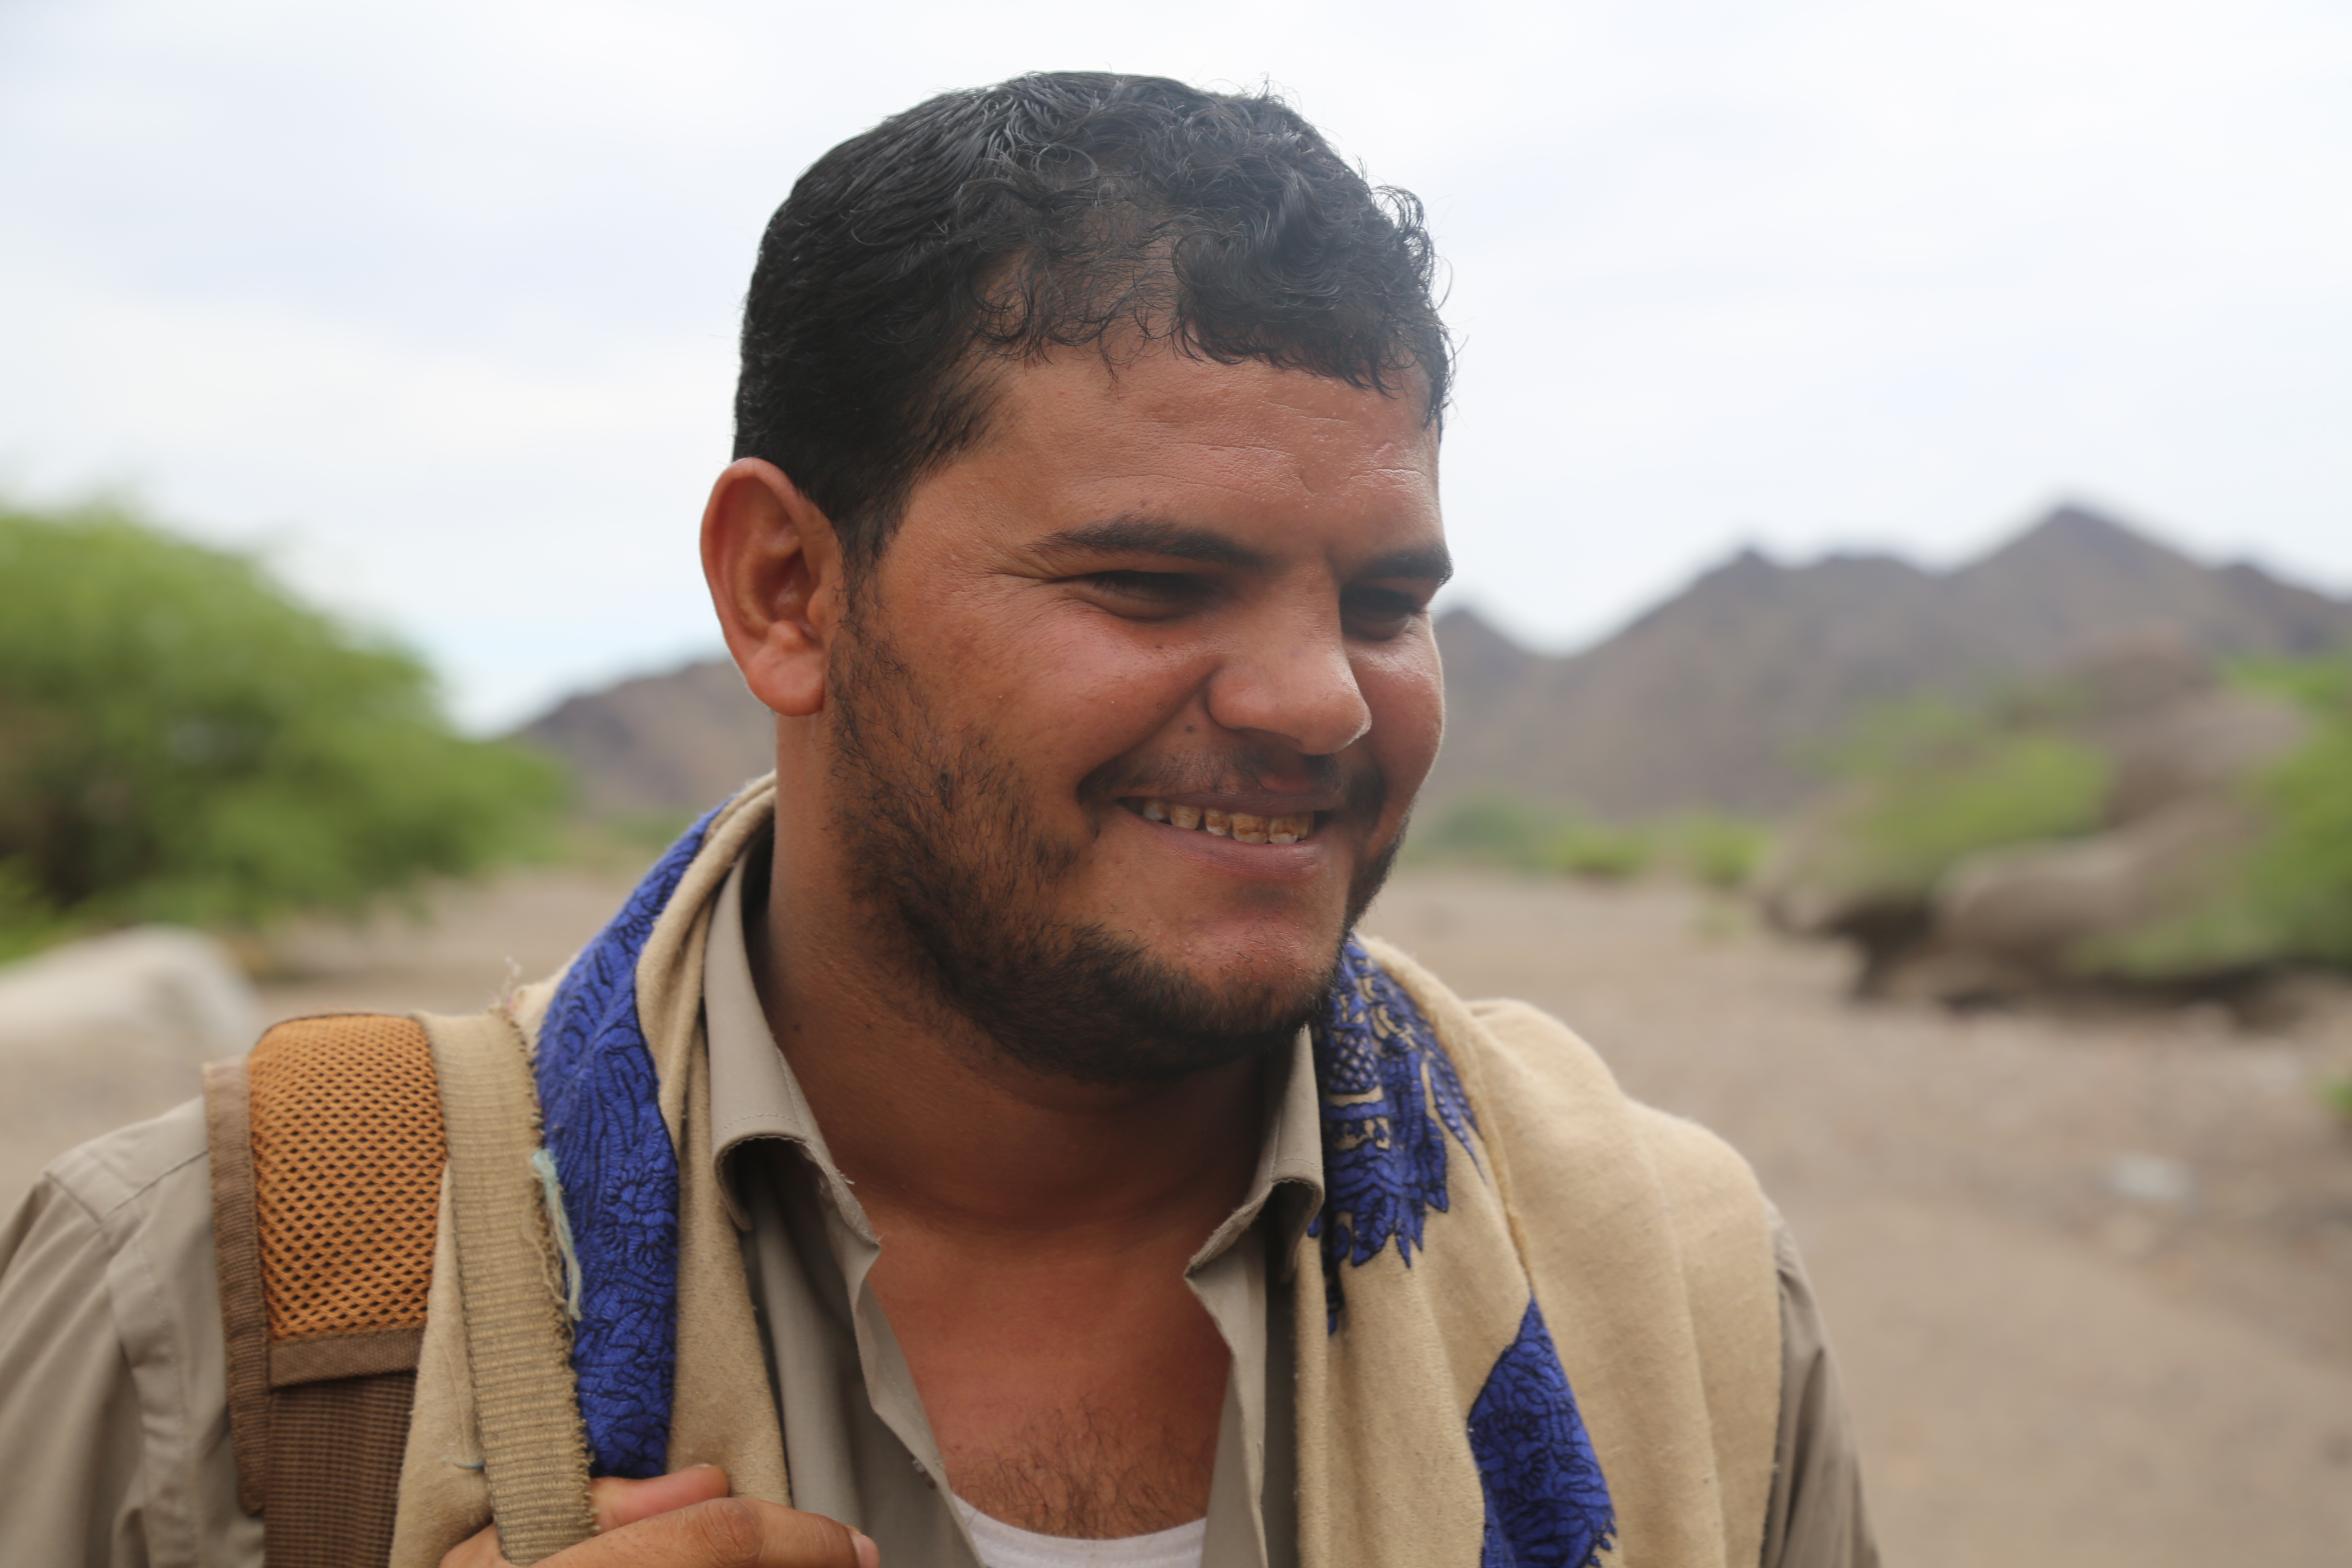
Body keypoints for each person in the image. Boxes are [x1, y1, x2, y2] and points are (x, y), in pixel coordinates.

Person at [0, 72, 1875, 1568]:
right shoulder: (217, 1298)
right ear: (790, 591)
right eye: (1152, 582)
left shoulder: (1673, 1286)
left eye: (1385, 605)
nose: (1322, 700)